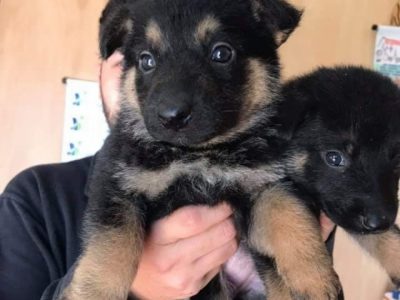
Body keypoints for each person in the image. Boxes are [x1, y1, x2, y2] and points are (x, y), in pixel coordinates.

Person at [0, 51, 335, 300]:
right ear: (100, 69)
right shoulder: (34, 200)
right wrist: (135, 288)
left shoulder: (276, 190)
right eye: (140, 63)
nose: (170, 103)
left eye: (215, 58)